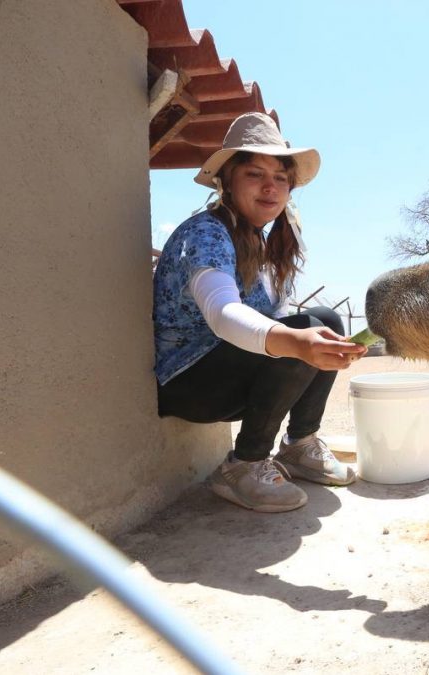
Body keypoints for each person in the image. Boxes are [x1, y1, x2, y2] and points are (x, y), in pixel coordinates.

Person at [152, 112, 366, 513]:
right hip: (189, 383)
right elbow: (222, 311)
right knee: (302, 330)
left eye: (281, 178)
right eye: (254, 174)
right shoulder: (207, 233)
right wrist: (294, 340)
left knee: (326, 322)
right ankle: (243, 465)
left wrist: (304, 338)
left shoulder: (263, 243)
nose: (271, 187)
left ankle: (298, 445)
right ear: (227, 182)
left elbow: (281, 315)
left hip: (229, 376)